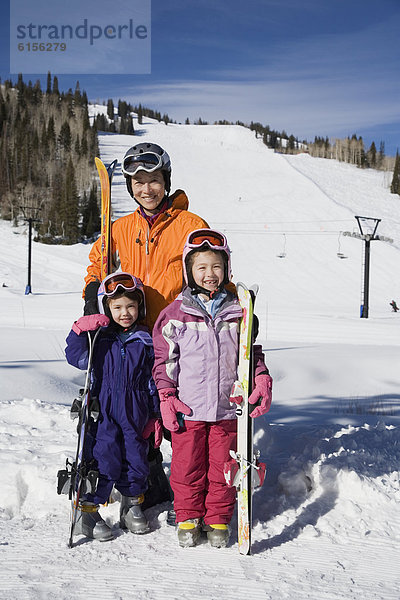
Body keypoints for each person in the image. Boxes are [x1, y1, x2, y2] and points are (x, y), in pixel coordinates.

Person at [152, 229, 273, 548]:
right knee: (186, 467)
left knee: (224, 467)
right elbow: (164, 361)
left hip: (226, 409)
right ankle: (188, 517)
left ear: (227, 268)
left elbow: (249, 353)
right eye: (202, 267)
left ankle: (218, 518)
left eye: (216, 266)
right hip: (188, 409)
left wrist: (260, 376)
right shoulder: (175, 314)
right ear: (188, 270)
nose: (210, 274)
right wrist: (166, 396)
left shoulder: (239, 311)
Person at [65, 272, 162, 542]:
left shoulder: (146, 340)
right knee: (101, 457)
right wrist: (79, 330)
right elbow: (75, 357)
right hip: (101, 408)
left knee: (136, 457)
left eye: (131, 306)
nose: (125, 313)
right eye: (117, 307)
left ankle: (131, 505)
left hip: (136, 408)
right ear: (106, 308)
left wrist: (155, 415)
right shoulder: (99, 338)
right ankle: (87, 512)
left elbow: (154, 379)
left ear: (139, 306)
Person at [83, 142, 209, 330]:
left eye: (154, 180)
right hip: (133, 333)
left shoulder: (191, 226)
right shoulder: (120, 229)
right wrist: (92, 294)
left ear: (166, 182)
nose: (147, 190)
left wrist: (231, 309)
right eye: (139, 182)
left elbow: (214, 272)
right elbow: (98, 264)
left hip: (177, 333)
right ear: (130, 187)